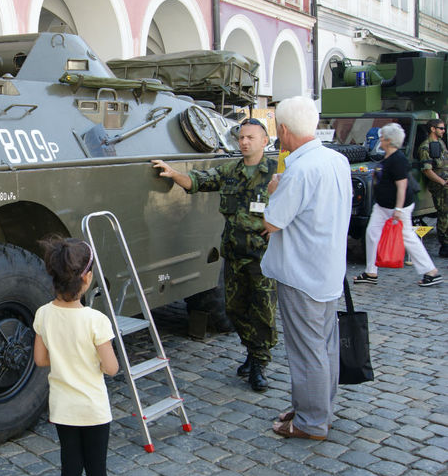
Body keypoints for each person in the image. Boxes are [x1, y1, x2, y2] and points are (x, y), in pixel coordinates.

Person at [152, 118, 278, 392]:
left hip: (263, 258)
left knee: (263, 312)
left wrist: (282, 226)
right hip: (234, 254)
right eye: (241, 137)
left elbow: (296, 203)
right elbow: (198, 182)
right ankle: (251, 350)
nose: (244, 142)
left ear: (264, 141)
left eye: (251, 137)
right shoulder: (230, 170)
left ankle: (259, 362)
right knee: (234, 308)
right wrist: (174, 174)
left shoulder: (275, 172)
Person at [261, 95, 352, 441]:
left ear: (284, 130)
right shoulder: (336, 159)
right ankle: (318, 409)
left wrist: (273, 190)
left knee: (307, 349)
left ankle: (312, 422)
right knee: (324, 344)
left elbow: (272, 222)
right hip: (326, 267)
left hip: (302, 271)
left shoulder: (299, 169)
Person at [33, 236, 128, 476]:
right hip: (94, 409)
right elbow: (112, 368)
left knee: (69, 471)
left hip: (63, 409)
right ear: (86, 278)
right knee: (96, 471)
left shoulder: (43, 314)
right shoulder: (95, 320)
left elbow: (40, 359)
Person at [354, 123, 442, 287]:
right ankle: (371, 271)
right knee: (372, 234)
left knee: (407, 237)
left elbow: (402, 186)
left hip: (395, 207)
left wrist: (398, 209)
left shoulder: (398, 160)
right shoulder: (388, 157)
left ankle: (430, 271)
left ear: (388, 140)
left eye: (382, 137)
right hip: (383, 206)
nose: (380, 139)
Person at [418, 118, 448, 258]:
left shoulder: (440, 143)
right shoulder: (425, 147)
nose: (443, 130)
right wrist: (442, 182)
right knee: (444, 214)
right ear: (432, 129)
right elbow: (427, 170)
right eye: (441, 128)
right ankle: (445, 245)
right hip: (440, 186)